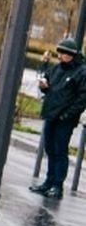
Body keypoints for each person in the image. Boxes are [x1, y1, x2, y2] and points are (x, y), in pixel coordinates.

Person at [30, 36, 86, 198]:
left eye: (63, 53)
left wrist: (68, 115)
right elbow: (51, 87)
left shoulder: (81, 72)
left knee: (60, 151)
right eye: (59, 53)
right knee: (50, 149)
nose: (59, 56)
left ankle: (57, 185)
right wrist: (45, 86)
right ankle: (48, 182)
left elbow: (82, 98)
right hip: (51, 115)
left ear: (71, 54)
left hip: (65, 119)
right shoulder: (56, 69)